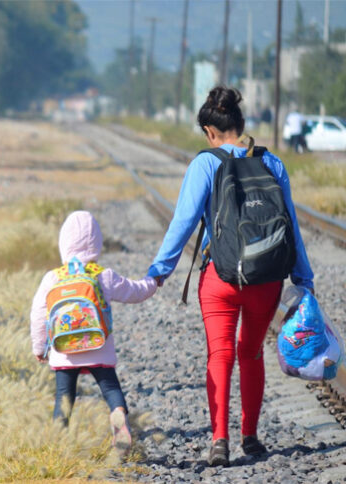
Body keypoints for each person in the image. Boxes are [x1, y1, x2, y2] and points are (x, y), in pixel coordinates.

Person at [147, 86, 314, 466]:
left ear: (209, 131)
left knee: (220, 355)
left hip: (220, 279)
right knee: (252, 353)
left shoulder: (205, 163)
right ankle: (251, 436)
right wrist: (303, 278)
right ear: (241, 124)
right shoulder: (272, 163)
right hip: (266, 279)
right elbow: (292, 225)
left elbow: (184, 222)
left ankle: (219, 440)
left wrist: (160, 270)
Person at [30, 211, 157, 453]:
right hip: (99, 347)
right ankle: (118, 415)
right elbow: (136, 292)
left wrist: (39, 347)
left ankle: (58, 444)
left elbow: (37, 313)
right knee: (110, 389)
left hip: (64, 351)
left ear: (63, 243)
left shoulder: (52, 278)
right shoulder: (102, 275)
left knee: (64, 396)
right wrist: (153, 281)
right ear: (97, 243)